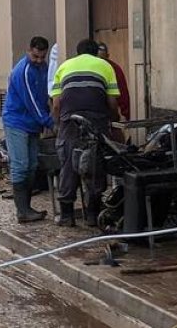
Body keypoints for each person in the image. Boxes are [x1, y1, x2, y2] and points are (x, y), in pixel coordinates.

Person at [50, 39, 120, 228]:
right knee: (95, 164)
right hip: (95, 122)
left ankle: (67, 216)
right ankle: (92, 215)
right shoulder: (105, 66)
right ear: (97, 52)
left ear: (77, 52)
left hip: (69, 122)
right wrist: (114, 118)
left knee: (68, 165)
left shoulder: (64, 67)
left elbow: (56, 104)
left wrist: (59, 123)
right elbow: (112, 101)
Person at [1, 36, 51, 224]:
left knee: (32, 166)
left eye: (42, 57)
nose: (38, 60)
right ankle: (22, 211)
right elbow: (32, 102)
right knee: (20, 165)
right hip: (17, 122)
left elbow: (45, 95)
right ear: (29, 50)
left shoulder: (43, 68)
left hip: (32, 123)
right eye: (36, 56)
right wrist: (49, 121)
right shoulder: (23, 71)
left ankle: (27, 208)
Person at [95, 42, 131, 122]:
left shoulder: (114, 68)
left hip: (109, 112)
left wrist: (125, 113)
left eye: (103, 59)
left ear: (107, 56)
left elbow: (122, 91)